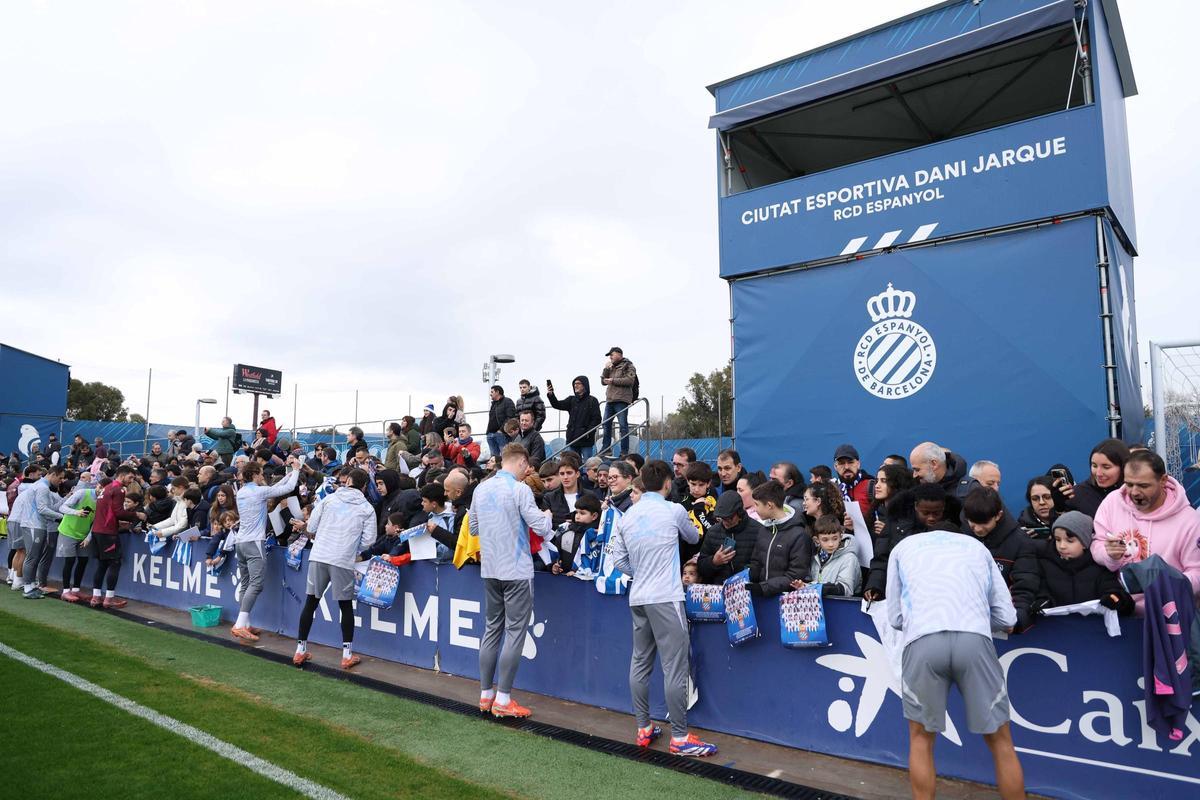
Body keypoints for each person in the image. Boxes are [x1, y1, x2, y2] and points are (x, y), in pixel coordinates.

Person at [886, 523, 1025, 800]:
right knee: (1001, 742)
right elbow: (1008, 618)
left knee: (921, 739)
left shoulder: (902, 548)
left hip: (923, 642)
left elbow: (895, 618)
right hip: (974, 642)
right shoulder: (978, 546)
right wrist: (977, 622)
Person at [608, 460, 714, 756]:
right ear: (668, 483)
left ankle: (643, 727)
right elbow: (694, 537)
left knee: (640, 661)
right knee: (674, 668)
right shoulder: (673, 509)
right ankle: (679, 737)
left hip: (639, 596)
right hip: (666, 597)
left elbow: (618, 560)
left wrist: (639, 571)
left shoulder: (627, 516)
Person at [470, 443, 552, 718]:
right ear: (519, 462)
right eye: (526, 467)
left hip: (490, 568)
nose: (527, 471)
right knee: (515, 632)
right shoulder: (520, 489)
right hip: (516, 570)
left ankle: (486, 696)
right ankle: (503, 698)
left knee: (492, 629)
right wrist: (546, 518)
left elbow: (473, 527)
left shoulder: (481, 488)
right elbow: (540, 527)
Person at [292, 467, 377, 670]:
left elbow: (311, 527)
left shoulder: (329, 499)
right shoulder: (366, 508)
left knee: (311, 601)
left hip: (320, 555)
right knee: (345, 605)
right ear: (364, 486)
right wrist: (351, 547)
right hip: (342, 559)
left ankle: (300, 650)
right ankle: (346, 654)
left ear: (347, 481)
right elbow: (369, 540)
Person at [1090, 450, 1200, 604]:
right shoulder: (1112, 502)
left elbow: (1197, 572)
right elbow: (1097, 544)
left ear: (1163, 480)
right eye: (1129, 484)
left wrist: (1166, 585)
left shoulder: (1189, 520)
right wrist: (1109, 555)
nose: (1134, 492)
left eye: (1143, 485)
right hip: (1122, 610)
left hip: (1169, 615)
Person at [230, 457, 302, 642]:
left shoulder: (243, 492)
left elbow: (276, 487)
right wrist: (296, 469)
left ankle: (245, 623)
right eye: (261, 474)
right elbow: (285, 489)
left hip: (240, 543)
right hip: (254, 543)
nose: (264, 477)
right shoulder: (259, 491)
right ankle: (239, 625)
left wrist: (289, 472)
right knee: (256, 584)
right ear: (254, 474)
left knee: (246, 584)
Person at [961, 487, 1040, 631]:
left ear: (998, 515)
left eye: (984, 523)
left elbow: (1025, 588)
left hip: (1003, 626)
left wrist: (1016, 620)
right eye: (972, 522)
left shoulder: (1021, 543)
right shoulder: (959, 537)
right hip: (965, 620)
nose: (977, 529)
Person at [863, 482, 958, 601]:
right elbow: (882, 558)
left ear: (943, 508)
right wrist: (875, 585)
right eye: (926, 513)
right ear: (916, 506)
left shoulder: (954, 528)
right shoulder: (896, 523)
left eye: (936, 513)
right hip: (903, 592)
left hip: (941, 594)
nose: (931, 518)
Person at [1036, 510, 1132, 613]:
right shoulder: (1046, 565)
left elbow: (1117, 594)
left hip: (1092, 626)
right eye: (1058, 539)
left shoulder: (1099, 567)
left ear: (1084, 542)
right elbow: (1042, 591)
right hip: (1058, 626)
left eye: (1070, 541)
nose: (1062, 546)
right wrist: (1043, 601)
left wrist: (1114, 599)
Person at [89, 465, 146, 608]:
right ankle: (109, 599)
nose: (131, 481)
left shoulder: (107, 488)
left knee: (102, 564)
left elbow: (109, 512)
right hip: (108, 533)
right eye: (130, 477)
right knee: (114, 563)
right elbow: (119, 512)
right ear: (122, 475)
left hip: (97, 530)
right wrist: (137, 515)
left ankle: (96, 597)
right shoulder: (119, 489)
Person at [23, 466, 84, 599]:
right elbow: (42, 509)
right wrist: (63, 516)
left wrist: (67, 498)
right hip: (33, 525)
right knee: (32, 557)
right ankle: (27, 588)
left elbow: (50, 508)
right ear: (53, 475)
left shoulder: (42, 487)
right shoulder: (42, 487)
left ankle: (32, 586)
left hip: (37, 525)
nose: (61, 481)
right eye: (60, 477)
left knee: (36, 557)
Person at [749, 480, 810, 597]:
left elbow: (795, 575)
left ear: (769, 505)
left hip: (787, 602)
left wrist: (765, 587)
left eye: (757, 504)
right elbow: (755, 563)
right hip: (762, 596)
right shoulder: (763, 529)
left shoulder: (799, 535)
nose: (754, 509)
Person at [695, 490, 763, 584]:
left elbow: (764, 566)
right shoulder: (713, 532)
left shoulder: (758, 530)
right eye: (722, 518)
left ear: (739, 513)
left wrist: (746, 574)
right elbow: (701, 567)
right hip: (719, 590)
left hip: (747, 590)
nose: (725, 522)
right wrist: (714, 561)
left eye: (729, 518)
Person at [1061, 438, 1130, 517]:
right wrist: (1058, 508)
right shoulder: (1077, 495)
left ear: (1124, 467)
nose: (1098, 473)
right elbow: (1061, 527)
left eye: (1106, 467)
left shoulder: (1134, 493)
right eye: (1094, 466)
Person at [796, 514, 861, 596]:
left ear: (840, 537)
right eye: (825, 540)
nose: (831, 544)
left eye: (835, 538)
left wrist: (814, 587)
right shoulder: (815, 557)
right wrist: (805, 586)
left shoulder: (849, 558)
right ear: (817, 540)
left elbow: (846, 589)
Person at [57, 471, 97, 603]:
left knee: (83, 561)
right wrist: (77, 512)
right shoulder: (82, 493)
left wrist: (88, 538)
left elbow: (95, 522)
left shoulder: (101, 502)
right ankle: (65, 591)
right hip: (68, 531)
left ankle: (76, 589)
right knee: (69, 561)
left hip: (83, 534)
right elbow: (62, 507)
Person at [548, 376, 602, 459]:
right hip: (572, 440)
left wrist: (588, 433)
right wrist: (551, 395)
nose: (575, 385)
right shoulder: (571, 400)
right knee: (573, 465)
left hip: (586, 441)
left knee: (587, 465)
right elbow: (557, 404)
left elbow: (597, 419)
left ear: (585, 385)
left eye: (578, 383)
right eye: (574, 384)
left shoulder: (592, 400)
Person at [600, 347, 637, 457]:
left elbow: (630, 380)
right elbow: (603, 381)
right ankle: (605, 449)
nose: (610, 357)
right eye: (609, 355)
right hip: (610, 400)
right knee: (606, 424)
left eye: (612, 354)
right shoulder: (610, 367)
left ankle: (624, 452)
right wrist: (606, 369)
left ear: (620, 355)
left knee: (623, 426)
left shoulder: (628, 365)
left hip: (621, 400)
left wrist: (613, 380)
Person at [551, 493, 601, 575]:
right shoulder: (566, 534)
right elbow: (555, 556)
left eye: (582, 513)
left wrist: (577, 571)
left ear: (594, 516)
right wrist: (554, 566)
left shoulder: (599, 536)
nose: (577, 516)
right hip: (566, 581)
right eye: (576, 512)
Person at [871, 463, 913, 535]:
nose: (877, 485)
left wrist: (889, 531)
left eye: (883, 481)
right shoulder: (876, 511)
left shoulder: (908, 514)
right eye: (877, 480)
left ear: (896, 484)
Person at [833, 444, 872, 519]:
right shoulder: (831, 489)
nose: (846, 467)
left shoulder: (872, 486)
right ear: (835, 467)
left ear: (858, 464)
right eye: (841, 463)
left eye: (850, 462)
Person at [545, 456, 582, 527]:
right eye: (562, 474)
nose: (565, 477)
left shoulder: (589, 496)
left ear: (577, 474)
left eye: (569, 473)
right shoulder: (549, 498)